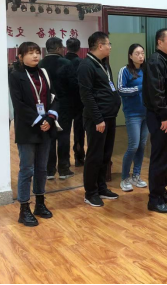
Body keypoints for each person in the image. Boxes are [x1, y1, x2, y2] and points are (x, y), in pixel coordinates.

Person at [9, 42, 60, 227]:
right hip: (28, 128)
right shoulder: (16, 75)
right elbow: (19, 105)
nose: (35, 56)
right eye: (30, 53)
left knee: (42, 168)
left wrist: (50, 118)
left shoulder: (43, 73)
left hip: (46, 127)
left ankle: (40, 203)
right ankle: (24, 209)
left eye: (37, 52)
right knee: (27, 169)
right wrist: (39, 121)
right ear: (20, 57)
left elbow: (54, 97)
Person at [78, 32, 121, 207]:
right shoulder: (86, 65)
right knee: (94, 156)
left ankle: (102, 187)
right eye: (108, 44)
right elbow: (86, 95)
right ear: (100, 45)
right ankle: (90, 192)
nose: (110, 47)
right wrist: (98, 119)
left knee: (105, 155)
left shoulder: (104, 63)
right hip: (97, 119)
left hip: (109, 116)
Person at [143, 29, 167, 214]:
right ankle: (155, 199)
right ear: (160, 42)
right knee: (159, 157)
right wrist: (164, 115)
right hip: (160, 117)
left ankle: (162, 191)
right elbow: (156, 92)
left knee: (166, 157)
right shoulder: (155, 61)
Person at [39, 38, 75, 180]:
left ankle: (49, 170)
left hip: (47, 106)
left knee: (49, 137)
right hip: (65, 105)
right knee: (64, 136)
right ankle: (64, 169)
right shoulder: (66, 63)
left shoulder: (40, 64)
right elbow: (73, 86)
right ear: (59, 48)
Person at [118, 44, 149, 192]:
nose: (141, 56)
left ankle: (136, 175)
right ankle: (125, 178)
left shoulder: (146, 70)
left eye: (142, 53)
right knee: (133, 146)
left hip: (147, 113)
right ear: (130, 56)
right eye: (137, 53)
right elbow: (121, 90)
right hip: (132, 114)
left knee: (142, 146)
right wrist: (139, 88)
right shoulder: (124, 71)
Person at [62, 38, 86, 168]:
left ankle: (64, 161)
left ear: (66, 47)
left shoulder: (62, 62)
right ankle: (79, 158)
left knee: (64, 133)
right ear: (79, 48)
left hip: (64, 102)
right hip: (79, 102)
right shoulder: (81, 62)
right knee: (79, 131)